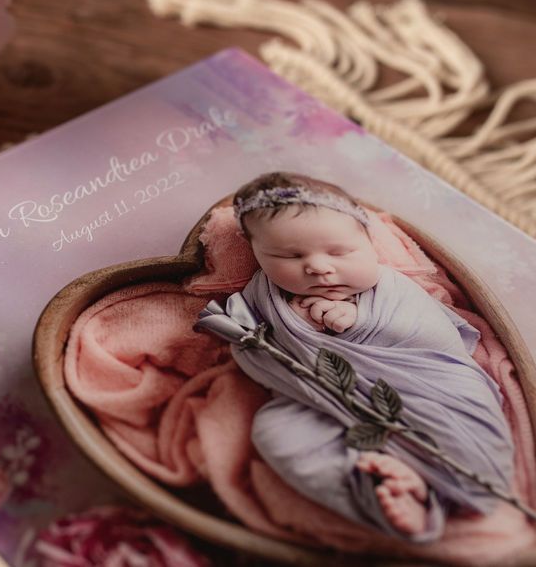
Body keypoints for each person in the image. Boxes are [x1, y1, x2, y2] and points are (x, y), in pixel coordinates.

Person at [197, 172, 514, 542]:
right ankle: (378, 490)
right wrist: (297, 332)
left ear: (368, 242)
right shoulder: (261, 298)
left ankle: (417, 477)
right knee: (276, 432)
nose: (317, 266)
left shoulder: (393, 287)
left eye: (339, 252)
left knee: (459, 404)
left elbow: (434, 340)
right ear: (256, 254)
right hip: (319, 405)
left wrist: (359, 324)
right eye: (288, 255)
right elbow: (254, 356)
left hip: (421, 388)